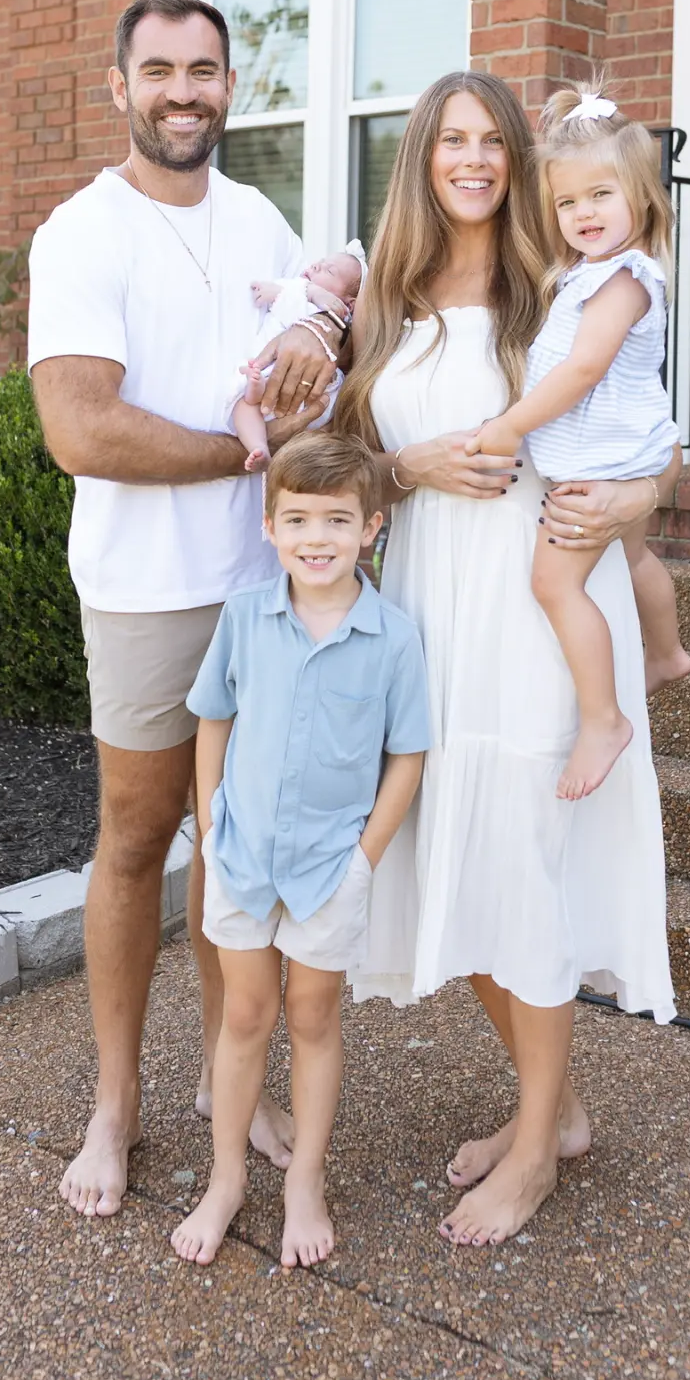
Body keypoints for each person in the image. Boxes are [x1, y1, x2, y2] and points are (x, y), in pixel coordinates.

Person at [335, 69, 680, 1248]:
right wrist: (408, 467)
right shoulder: (387, 293)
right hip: (433, 607)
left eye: (494, 140)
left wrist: (638, 488)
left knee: (524, 861)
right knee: (457, 859)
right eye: (452, 140)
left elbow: (645, 429)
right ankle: (561, 1107)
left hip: (540, 605)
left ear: (520, 157)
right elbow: (337, 469)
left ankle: (534, 1149)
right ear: (423, 158)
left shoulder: (562, 279)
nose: (474, 159)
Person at [28, 0, 345, 1220]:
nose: (183, 89)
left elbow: (314, 351)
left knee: (240, 849)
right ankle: (116, 1102)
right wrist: (245, 457)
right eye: (157, 68)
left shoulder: (262, 215)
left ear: (229, 85)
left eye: (204, 68)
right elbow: (79, 424)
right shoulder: (81, 233)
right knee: (135, 835)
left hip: (268, 589)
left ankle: (233, 1087)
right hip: (152, 590)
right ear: (119, 85)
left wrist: (325, 351)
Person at [173, 432, 428, 1269]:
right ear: (269, 527)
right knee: (245, 1014)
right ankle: (225, 1179)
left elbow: (408, 756)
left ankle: (305, 1180)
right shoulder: (245, 618)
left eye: (336, 519)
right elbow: (213, 717)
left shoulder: (391, 638)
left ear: (371, 529)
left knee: (313, 1017)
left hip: (330, 870)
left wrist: (365, 858)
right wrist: (210, 825)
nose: (316, 537)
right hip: (242, 857)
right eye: (298, 519)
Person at [474, 85, 690, 800]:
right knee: (632, 556)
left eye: (600, 195)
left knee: (552, 583)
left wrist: (509, 426)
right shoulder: (586, 274)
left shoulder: (625, 279)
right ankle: (666, 655)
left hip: (599, 463)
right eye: (568, 204)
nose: (583, 214)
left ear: (640, 197)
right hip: (626, 448)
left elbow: (585, 367)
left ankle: (601, 718)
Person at [229, 241, 367, 471]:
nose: (316, 267)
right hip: (282, 382)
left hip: (304, 385)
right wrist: (313, 291)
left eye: (329, 270)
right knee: (242, 402)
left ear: (350, 303)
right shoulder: (307, 294)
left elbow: (291, 300)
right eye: (320, 263)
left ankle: (258, 417)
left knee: (244, 400)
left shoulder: (325, 310)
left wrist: (284, 293)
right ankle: (259, 447)